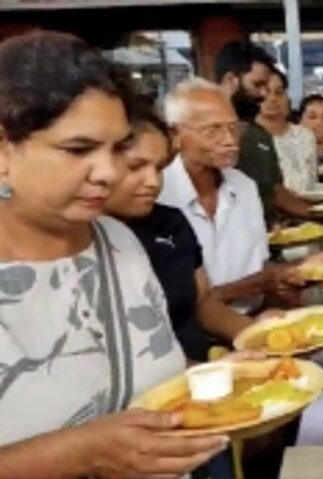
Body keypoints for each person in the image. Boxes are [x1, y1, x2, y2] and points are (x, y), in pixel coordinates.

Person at [0, 31, 225, 478]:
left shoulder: (118, 240)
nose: (107, 172)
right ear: (4, 149)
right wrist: (80, 453)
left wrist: (215, 379)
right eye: (78, 149)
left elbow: (149, 373)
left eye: (118, 148)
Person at [105, 100, 255, 362]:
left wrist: (260, 335)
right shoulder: (81, 241)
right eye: (135, 167)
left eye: (159, 168)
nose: (153, 182)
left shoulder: (171, 223)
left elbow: (203, 303)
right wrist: (204, 373)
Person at [158, 78, 297, 315]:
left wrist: (290, 278)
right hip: (191, 332)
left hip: (257, 319)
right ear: (175, 135)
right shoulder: (158, 196)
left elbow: (259, 265)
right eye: (212, 130)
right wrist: (260, 282)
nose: (230, 141)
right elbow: (173, 300)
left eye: (233, 128)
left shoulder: (244, 187)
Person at [215, 41, 309, 223]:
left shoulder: (259, 135)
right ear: (230, 80)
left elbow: (275, 191)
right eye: (257, 85)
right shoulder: (202, 136)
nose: (264, 94)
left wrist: (320, 213)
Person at [257, 69, 318, 194]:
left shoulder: (305, 135)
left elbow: (312, 182)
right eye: (266, 93)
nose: (273, 98)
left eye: (279, 92)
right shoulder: (250, 138)